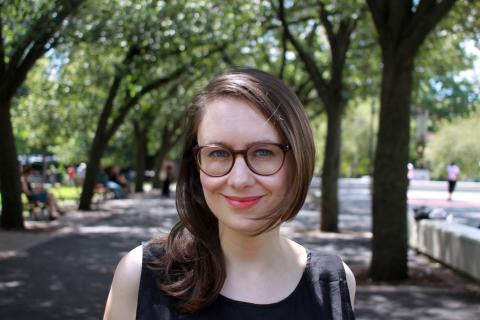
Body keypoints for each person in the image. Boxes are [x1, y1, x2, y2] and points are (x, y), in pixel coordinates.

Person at [103, 69, 356, 319]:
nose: (239, 179)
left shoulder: (335, 285)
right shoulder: (139, 276)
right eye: (218, 153)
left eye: (264, 152)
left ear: (299, 161)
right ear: (196, 165)